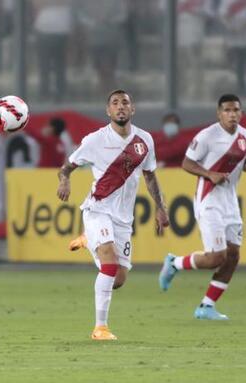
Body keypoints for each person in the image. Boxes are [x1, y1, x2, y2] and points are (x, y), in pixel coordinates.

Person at [57, 89, 169, 340]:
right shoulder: (94, 140)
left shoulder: (145, 140)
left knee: (117, 278)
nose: (120, 107)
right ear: (108, 111)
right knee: (108, 263)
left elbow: (150, 176)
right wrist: (64, 180)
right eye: (115, 103)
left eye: (125, 103)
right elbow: (67, 167)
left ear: (133, 109)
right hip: (97, 210)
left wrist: (161, 207)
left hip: (123, 219)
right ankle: (100, 328)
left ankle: (88, 240)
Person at [159, 94, 246, 320]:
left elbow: (243, 160)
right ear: (219, 113)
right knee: (216, 257)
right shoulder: (207, 136)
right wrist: (209, 174)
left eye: (236, 110)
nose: (232, 114)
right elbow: (187, 163)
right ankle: (174, 263)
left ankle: (206, 306)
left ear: (241, 113)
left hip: (230, 202)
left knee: (233, 256)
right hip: (209, 200)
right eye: (227, 110)